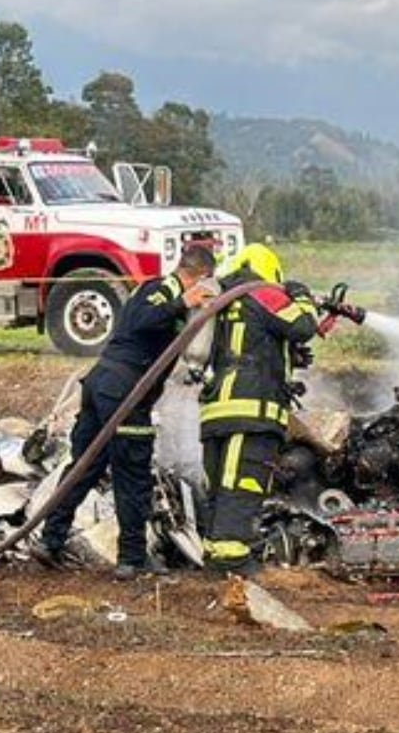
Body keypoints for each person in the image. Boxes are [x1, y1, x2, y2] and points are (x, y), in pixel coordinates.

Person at [35, 243, 217, 579]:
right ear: (200, 277)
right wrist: (183, 302)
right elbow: (139, 321)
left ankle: (50, 540)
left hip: (104, 386)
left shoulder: (168, 296)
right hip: (123, 393)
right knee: (132, 474)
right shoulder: (162, 290)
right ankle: (132, 559)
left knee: (85, 467)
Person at [197, 243, 320, 573]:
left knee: (220, 485)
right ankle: (232, 560)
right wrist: (301, 295)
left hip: (218, 408)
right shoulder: (261, 292)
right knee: (243, 483)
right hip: (251, 409)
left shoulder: (224, 300)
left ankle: (214, 553)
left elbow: (250, 343)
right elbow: (304, 326)